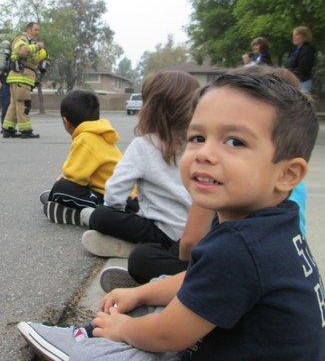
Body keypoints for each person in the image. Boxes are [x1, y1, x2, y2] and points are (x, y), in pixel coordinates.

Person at [17, 71, 323, 360]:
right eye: (197, 137)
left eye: (234, 141)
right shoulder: (272, 223)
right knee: (164, 287)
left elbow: (169, 336)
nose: (203, 153)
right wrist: (140, 294)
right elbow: (196, 276)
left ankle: (88, 344)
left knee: (144, 338)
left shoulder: (241, 246)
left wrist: (122, 329)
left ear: (287, 174)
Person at [79, 71, 199, 286]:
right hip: (193, 234)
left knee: (102, 215)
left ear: (150, 108)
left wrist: (112, 210)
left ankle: (123, 241)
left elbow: (115, 191)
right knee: (142, 238)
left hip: (158, 231)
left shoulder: (144, 144)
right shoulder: (199, 144)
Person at [41, 90, 124, 225]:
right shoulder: (100, 133)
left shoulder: (85, 138)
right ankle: (63, 203)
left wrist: (60, 184)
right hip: (127, 195)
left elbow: (74, 177)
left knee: (60, 188)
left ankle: (70, 209)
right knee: (63, 188)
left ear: (65, 121)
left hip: (115, 201)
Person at [1, 22, 47, 139]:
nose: (38, 32)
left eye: (38, 30)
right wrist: (38, 47)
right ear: (28, 29)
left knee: (14, 104)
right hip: (21, 77)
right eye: (35, 30)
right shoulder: (21, 39)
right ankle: (25, 130)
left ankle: (8, 129)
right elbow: (22, 51)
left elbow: (34, 58)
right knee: (24, 103)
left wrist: (41, 54)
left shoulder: (30, 42)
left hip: (20, 78)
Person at [285, 26, 316, 91]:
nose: (293, 37)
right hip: (294, 82)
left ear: (305, 36)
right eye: (293, 35)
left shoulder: (307, 50)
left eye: (296, 35)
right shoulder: (296, 49)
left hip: (302, 83)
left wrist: (287, 73)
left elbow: (304, 69)